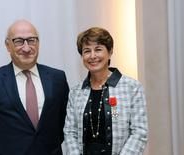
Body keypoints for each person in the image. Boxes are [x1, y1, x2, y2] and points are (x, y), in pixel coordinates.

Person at [0, 19, 69, 155]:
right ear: (7, 46)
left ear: (38, 43)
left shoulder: (57, 78)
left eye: (31, 40)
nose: (26, 48)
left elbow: (64, 122)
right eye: (18, 41)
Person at [63, 27, 148, 155]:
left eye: (98, 49)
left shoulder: (132, 87)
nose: (92, 56)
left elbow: (139, 132)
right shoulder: (75, 92)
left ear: (110, 51)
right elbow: (70, 132)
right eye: (87, 51)